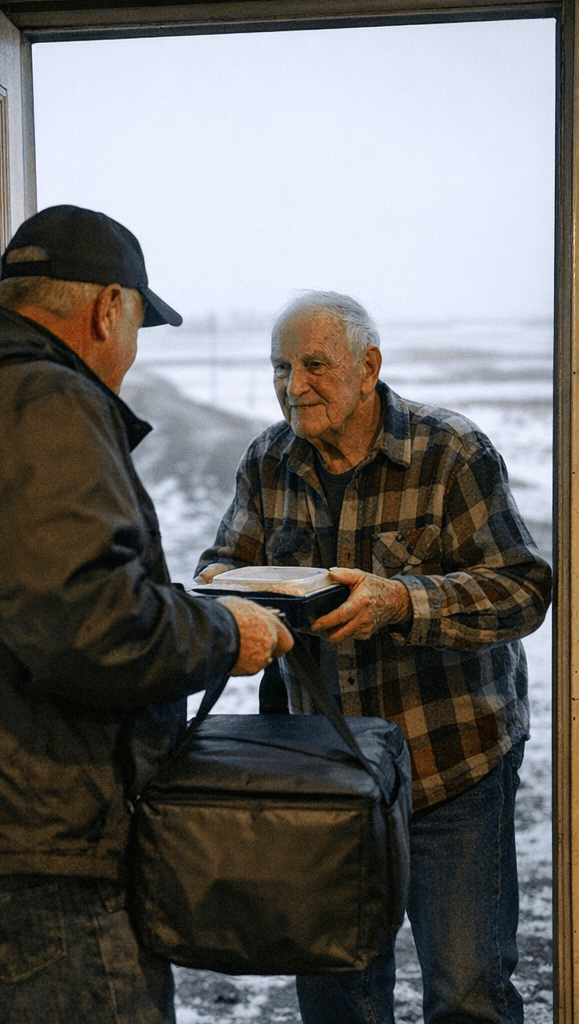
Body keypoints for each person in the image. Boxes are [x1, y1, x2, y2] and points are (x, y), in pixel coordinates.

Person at [0, 206, 293, 1024]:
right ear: (108, 308)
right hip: (27, 851)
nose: (132, 349)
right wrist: (227, 631)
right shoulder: (43, 399)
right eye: (139, 323)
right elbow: (90, 625)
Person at [196, 290, 551, 1024]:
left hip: (448, 769)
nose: (293, 387)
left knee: (467, 992)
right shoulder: (267, 461)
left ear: (370, 366)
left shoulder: (452, 451)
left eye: (314, 366)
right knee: (337, 994)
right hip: (327, 779)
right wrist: (224, 597)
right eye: (279, 368)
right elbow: (222, 563)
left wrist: (401, 602)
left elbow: (522, 590)